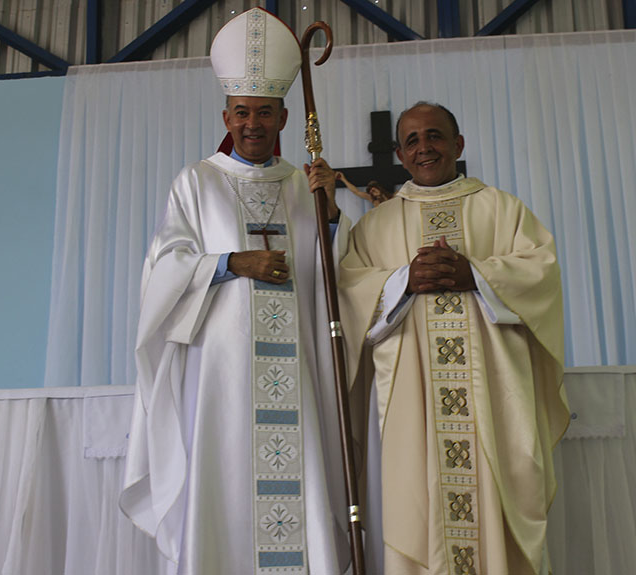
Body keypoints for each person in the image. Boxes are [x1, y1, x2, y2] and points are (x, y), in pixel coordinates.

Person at [120, 8, 350, 575]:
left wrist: (330, 219)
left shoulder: (302, 184)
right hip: (220, 375)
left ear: (284, 117)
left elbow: (328, 280)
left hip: (294, 374)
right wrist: (230, 262)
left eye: (265, 112)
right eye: (243, 112)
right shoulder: (196, 181)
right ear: (227, 114)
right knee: (222, 479)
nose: (253, 122)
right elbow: (164, 268)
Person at [338, 102, 568, 575]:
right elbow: (349, 293)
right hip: (410, 407)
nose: (425, 148)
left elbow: (540, 274)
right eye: (413, 141)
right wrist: (404, 280)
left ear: (458, 145)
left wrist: (477, 274)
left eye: (435, 136)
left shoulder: (502, 209)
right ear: (401, 154)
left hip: (492, 405)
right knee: (415, 506)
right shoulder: (374, 226)